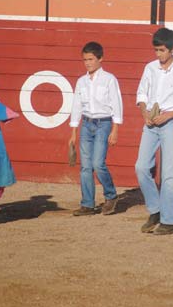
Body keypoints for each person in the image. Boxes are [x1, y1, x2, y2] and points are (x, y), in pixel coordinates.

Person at [135, 28, 173, 235]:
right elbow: (142, 93)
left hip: (170, 124)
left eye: (162, 50)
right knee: (141, 167)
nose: (158, 54)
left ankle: (168, 221)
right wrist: (145, 113)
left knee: (169, 173)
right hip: (151, 122)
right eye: (156, 50)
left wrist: (169, 115)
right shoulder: (150, 68)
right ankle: (155, 209)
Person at [69, 42, 123, 217]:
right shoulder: (81, 81)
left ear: (100, 59)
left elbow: (116, 104)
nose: (87, 63)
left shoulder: (109, 79)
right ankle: (87, 204)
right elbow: (77, 106)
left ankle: (111, 195)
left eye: (91, 59)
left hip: (104, 123)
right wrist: (73, 132)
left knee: (98, 164)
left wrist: (115, 130)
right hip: (86, 123)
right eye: (85, 59)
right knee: (85, 166)